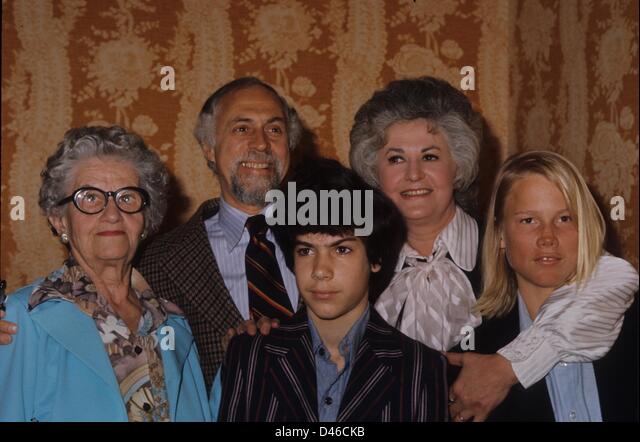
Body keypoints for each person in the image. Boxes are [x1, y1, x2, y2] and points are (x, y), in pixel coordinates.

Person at [348, 76, 638, 420]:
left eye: (430, 156)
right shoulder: (352, 266)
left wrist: (508, 367)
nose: (414, 174)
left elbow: (612, 281)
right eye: (396, 159)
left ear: (458, 164)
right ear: (374, 172)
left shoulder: (516, 248)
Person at [0, 126, 212, 422]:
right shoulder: (21, 317)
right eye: (89, 198)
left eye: (127, 198)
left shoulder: (175, 325)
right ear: (59, 220)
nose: (112, 213)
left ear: (145, 219)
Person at [216, 157, 449, 422]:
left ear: (375, 259)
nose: (320, 270)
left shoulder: (420, 367)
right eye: (306, 250)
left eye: (341, 249)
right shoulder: (251, 355)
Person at [456, 151, 638, 421]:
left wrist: (515, 365)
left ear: (585, 228)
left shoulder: (628, 322)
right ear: (501, 234)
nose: (548, 237)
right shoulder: (473, 354)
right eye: (528, 220)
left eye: (565, 218)